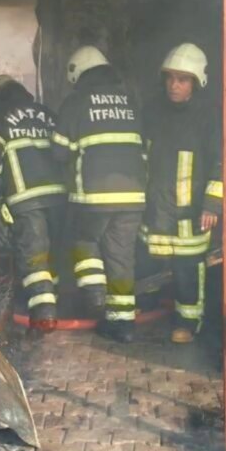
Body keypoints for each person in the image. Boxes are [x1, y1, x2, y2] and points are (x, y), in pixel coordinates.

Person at [52, 46, 145, 343]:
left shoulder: (76, 102)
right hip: (133, 198)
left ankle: (95, 298)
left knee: (83, 242)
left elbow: (58, 152)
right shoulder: (130, 100)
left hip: (92, 198)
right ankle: (123, 324)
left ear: (78, 72)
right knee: (121, 257)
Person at [141, 43, 222, 344]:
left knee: (189, 269)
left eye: (183, 79)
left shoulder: (208, 117)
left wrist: (212, 204)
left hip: (191, 213)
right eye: (170, 78)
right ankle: (146, 308)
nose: (174, 85)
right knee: (147, 260)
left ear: (197, 82)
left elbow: (222, 162)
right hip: (156, 208)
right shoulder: (152, 111)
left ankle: (188, 322)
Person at [0, 75, 66, 331]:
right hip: (60, 196)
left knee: (33, 255)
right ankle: (53, 301)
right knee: (53, 254)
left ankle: (43, 314)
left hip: (26, 198)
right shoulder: (45, 113)